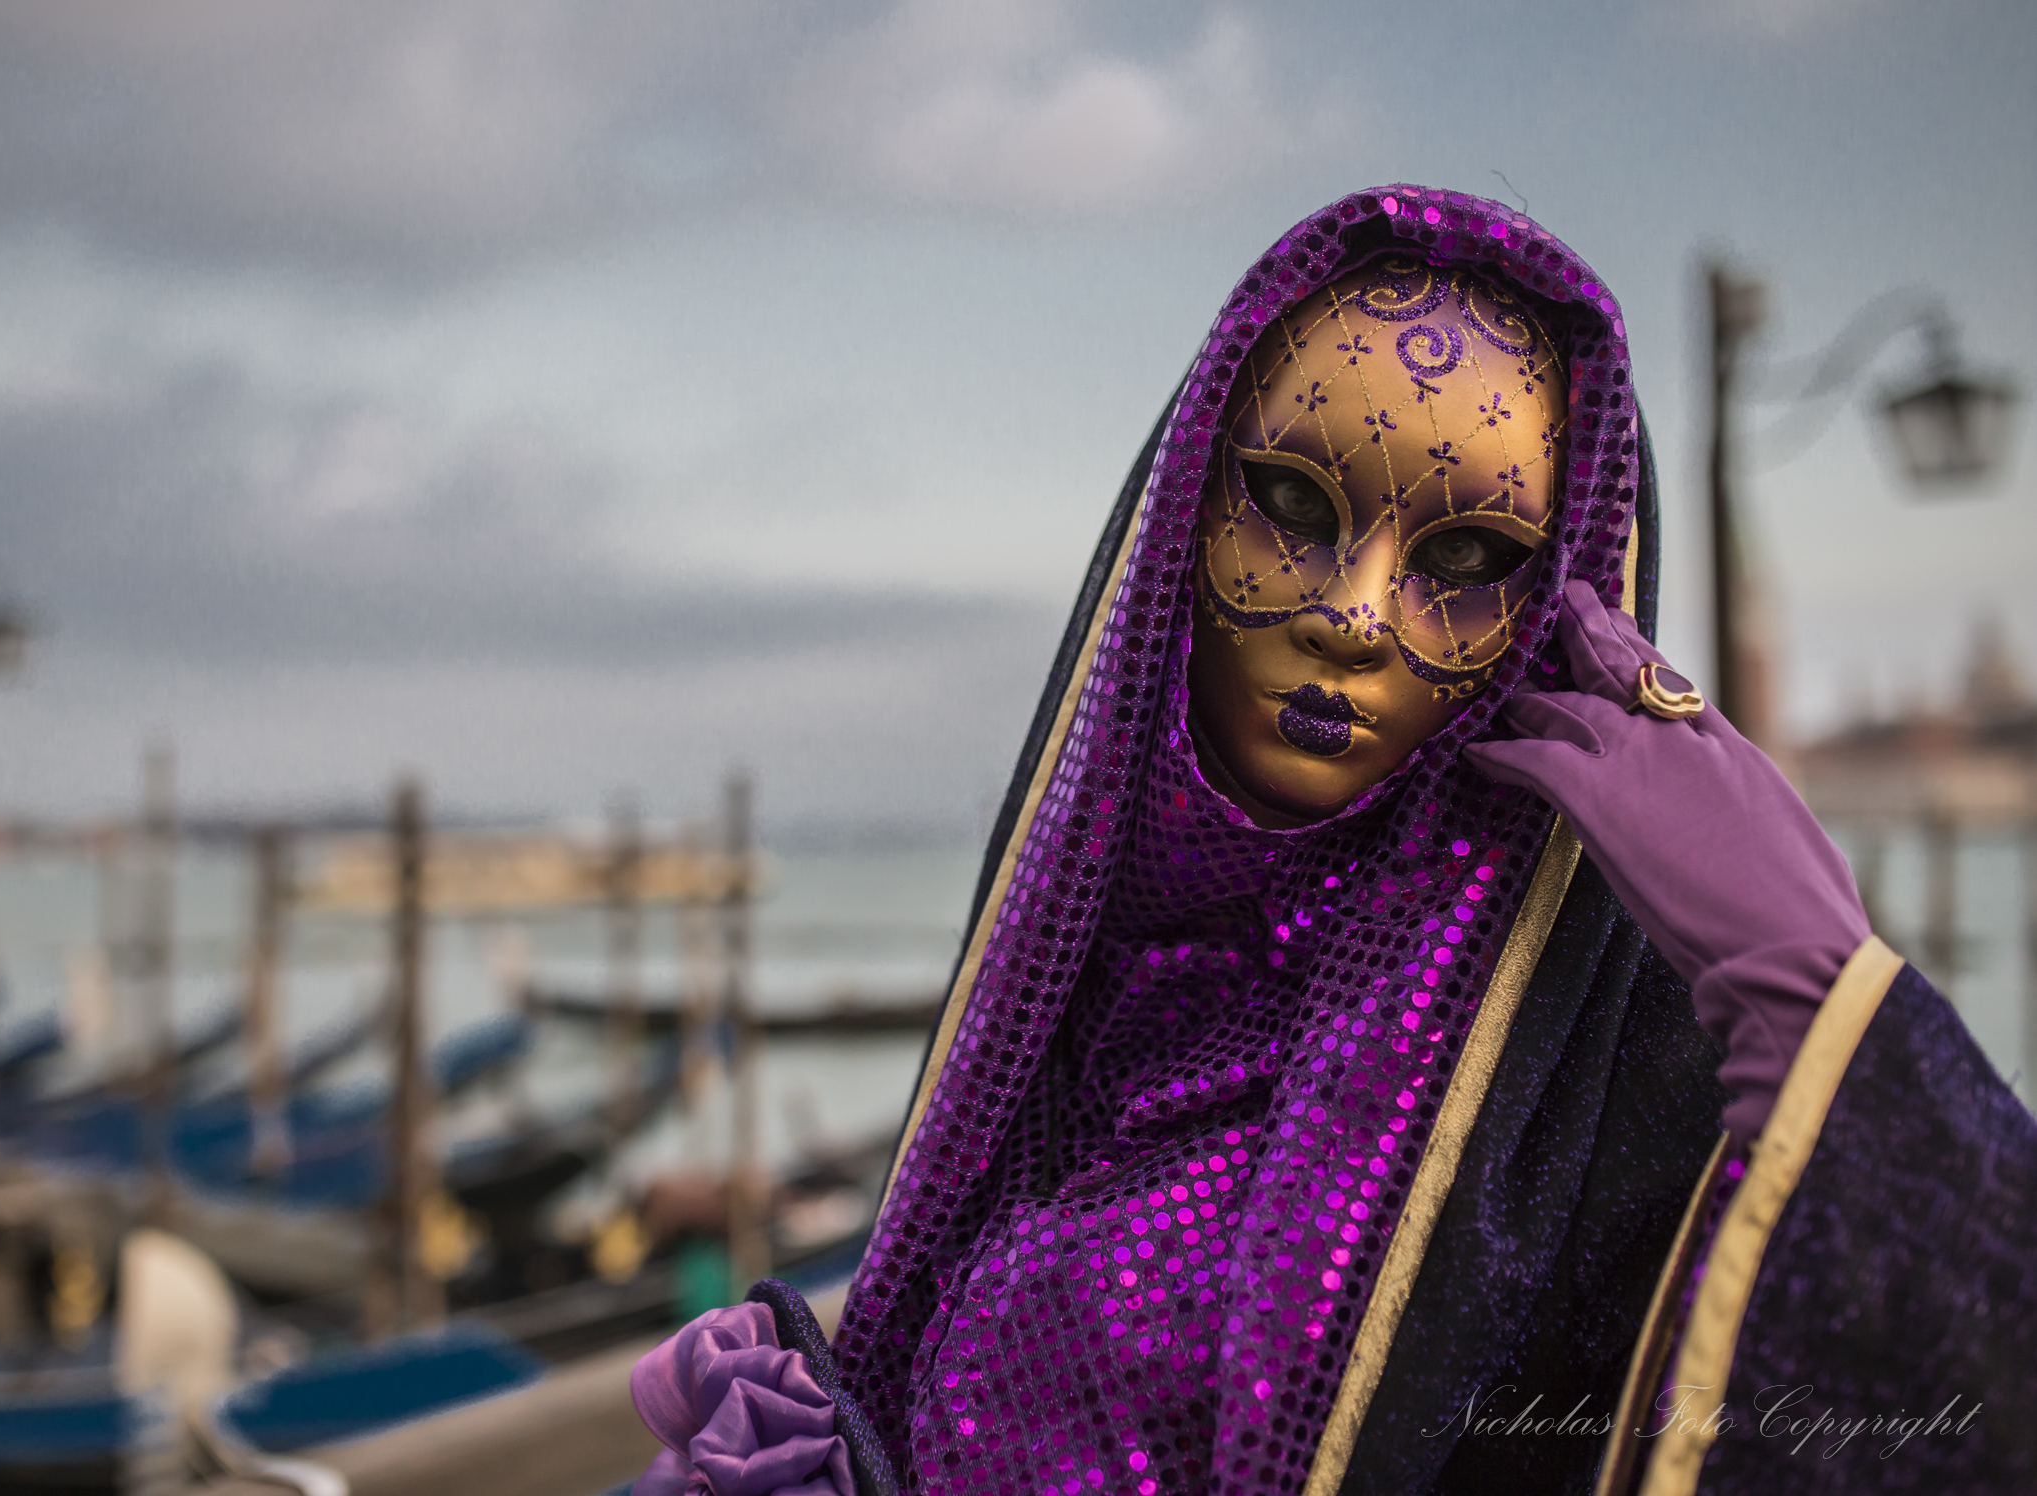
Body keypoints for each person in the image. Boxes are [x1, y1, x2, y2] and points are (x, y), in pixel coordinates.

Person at [628, 186, 2036, 1496]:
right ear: (1184, 513)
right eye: (1295, 506)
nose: (1356, 617)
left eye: (1470, 559)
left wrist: (1821, 998)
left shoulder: (1605, 1095)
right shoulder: (1061, 993)